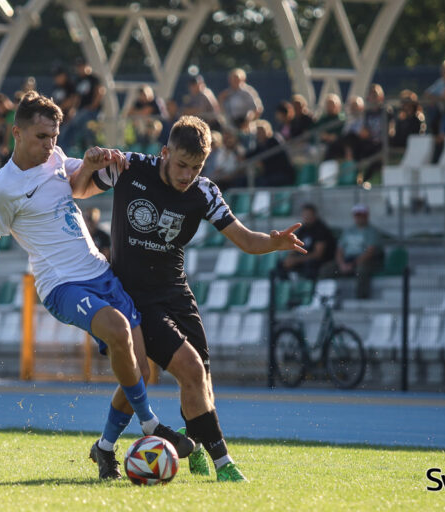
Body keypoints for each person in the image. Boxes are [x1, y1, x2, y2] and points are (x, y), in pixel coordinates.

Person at [0, 91, 194, 480]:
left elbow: (79, 187)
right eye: (41, 136)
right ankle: (152, 424)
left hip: (99, 273)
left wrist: (97, 162)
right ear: (16, 133)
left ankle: (104, 449)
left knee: (139, 366)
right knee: (120, 331)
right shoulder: (2, 189)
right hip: (61, 285)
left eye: (54, 136)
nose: (50, 144)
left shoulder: (54, 159)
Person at [70, 115, 307, 482]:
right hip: (136, 298)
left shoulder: (205, 192)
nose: (187, 175)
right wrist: (89, 164)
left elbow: (245, 240)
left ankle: (150, 445)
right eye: (181, 165)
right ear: (164, 152)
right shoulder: (130, 167)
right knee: (184, 370)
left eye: (196, 168)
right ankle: (224, 464)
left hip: (177, 295)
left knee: (196, 380)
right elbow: (80, 191)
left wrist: (273, 242)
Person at [319, 204, 383, 299]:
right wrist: (341, 264)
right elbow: (339, 250)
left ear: (366, 215)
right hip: (347, 260)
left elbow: (370, 252)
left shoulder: (372, 231)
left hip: (365, 261)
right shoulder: (348, 231)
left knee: (361, 270)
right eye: (357, 215)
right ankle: (324, 298)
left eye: (361, 215)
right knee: (326, 270)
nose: (359, 217)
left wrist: (353, 264)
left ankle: (361, 299)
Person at [277, 203, 336, 280]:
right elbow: (294, 246)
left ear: (314, 215)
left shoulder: (321, 229)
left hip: (322, 261)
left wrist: (296, 260)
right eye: (304, 215)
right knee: (281, 264)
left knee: (310, 265)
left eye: (309, 214)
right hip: (303, 259)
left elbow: (317, 255)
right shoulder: (303, 229)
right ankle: (285, 289)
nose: (306, 217)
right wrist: (290, 258)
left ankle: (308, 289)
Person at [58, 58, 105, 153]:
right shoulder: (78, 80)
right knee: (70, 127)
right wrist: (73, 110)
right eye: (78, 67)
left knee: (83, 129)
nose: (80, 68)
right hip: (81, 112)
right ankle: (65, 150)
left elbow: (100, 91)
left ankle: (89, 150)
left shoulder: (93, 78)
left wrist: (93, 106)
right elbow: (77, 97)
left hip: (91, 112)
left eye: (82, 66)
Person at [248, 119, 295, 187]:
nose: (259, 134)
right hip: (271, 175)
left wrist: (261, 163)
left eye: (261, 132)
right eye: (257, 132)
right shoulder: (260, 145)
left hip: (283, 174)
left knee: (262, 183)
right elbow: (250, 154)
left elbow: (269, 158)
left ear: (267, 131)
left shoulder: (274, 141)